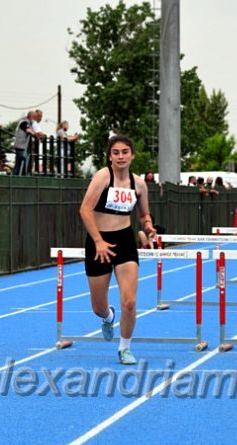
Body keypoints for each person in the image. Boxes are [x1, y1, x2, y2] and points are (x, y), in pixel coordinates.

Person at [79, 134, 155, 365]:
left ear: (132, 155)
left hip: (124, 241)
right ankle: (108, 317)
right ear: (110, 156)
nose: (121, 156)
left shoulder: (139, 184)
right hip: (98, 242)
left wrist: (149, 226)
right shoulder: (103, 177)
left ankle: (125, 348)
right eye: (116, 152)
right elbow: (85, 209)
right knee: (98, 306)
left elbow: (143, 214)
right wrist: (99, 241)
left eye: (125, 152)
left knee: (130, 302)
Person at [12, 111, 34, 176]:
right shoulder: (24, 122)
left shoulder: (27, 122)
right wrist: (35, 134)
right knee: (24, 159)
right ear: (31, 116)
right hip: (20, 146)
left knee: (18, 162)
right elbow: (28, 130)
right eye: (33, 117)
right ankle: (21, 175)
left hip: (21, 146)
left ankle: (16, 175)